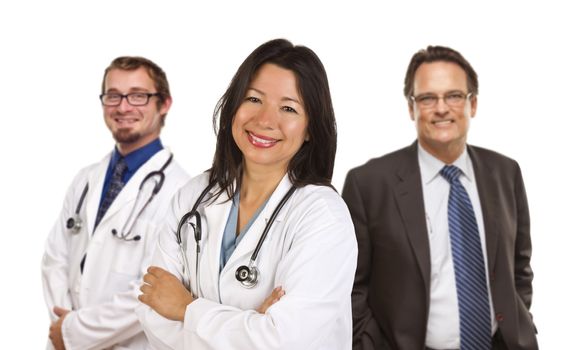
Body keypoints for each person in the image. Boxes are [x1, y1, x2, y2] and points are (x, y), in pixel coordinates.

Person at [136, 38, 357, 350]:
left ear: (310, 128)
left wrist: (186, 308)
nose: (265, 120)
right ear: (233, 106)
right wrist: (250, 325)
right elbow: (151, 309)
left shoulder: (323, 216)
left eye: (288, 108)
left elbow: (286, 341)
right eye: (254, 99)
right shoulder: (194, 196)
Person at [342, 46, 538, 350]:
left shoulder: (505, 172)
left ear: (473, 104)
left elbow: (519, 268)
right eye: (427, 98)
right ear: (411, 108)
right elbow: (351, 286)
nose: (442, 108)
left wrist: (517, 322)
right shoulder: (368, 184)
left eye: (454, 96)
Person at [41, 56, 190, 350]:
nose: (123, 107)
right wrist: (64, 323)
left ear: (164, 104)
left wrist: (76, 333)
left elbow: (154, 286)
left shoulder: (183, 192)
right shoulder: (86, 179)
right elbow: (54, 259)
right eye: (113, 96)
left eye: (138, 96)